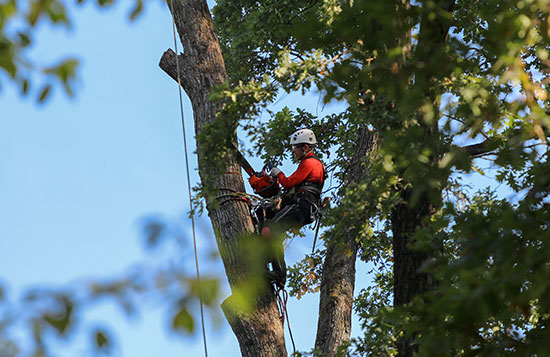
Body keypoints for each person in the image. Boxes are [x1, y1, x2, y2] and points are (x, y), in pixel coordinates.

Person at [261, 128, 325, 287]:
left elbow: (289, 183)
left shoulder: (310, 162)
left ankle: (279, 274)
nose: (293, 151)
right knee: (267, 218)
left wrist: (278, 173)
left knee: (273, 227)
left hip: (303, 205)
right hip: (300, 203)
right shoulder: (308, 163)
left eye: (295, 147)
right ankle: (267, 254)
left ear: (305, 148)